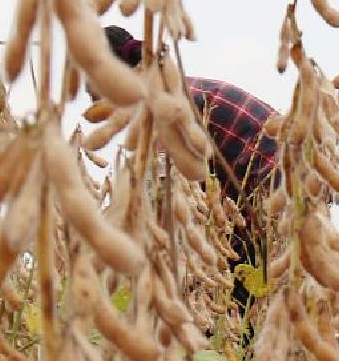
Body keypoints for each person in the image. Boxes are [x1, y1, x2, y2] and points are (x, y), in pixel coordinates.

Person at [103, 26, 280, 313]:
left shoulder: (161, 107)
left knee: (232, 307)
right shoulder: (175, 91)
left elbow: (167, 202)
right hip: (276, 188)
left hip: (274, 193)